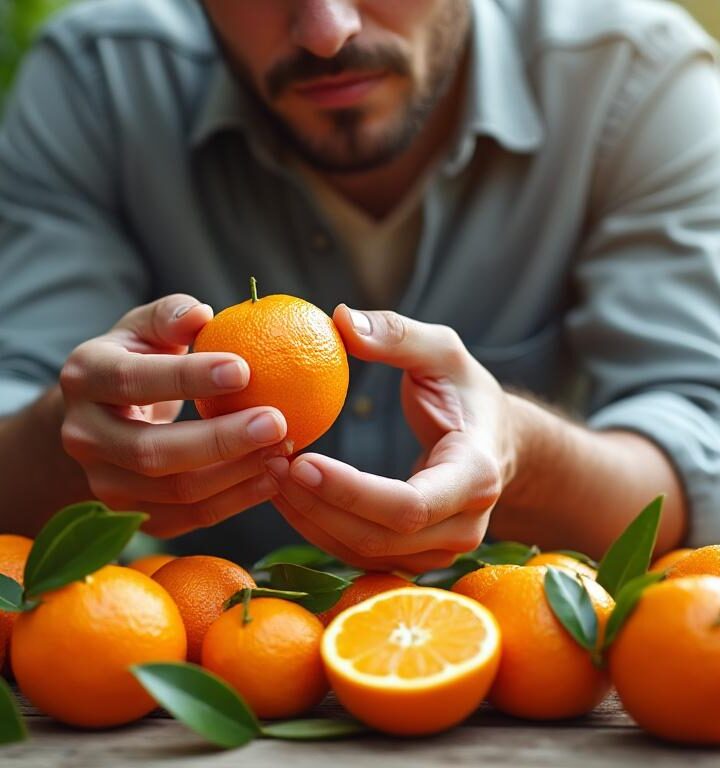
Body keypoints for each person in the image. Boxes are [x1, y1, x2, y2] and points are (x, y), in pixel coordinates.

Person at [0, 0, 719, 569]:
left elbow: (698, 436)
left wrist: (523, 458)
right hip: (229, 670)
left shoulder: (632, 80)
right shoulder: (99, 81)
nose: (325, 31)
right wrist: (70, 436)